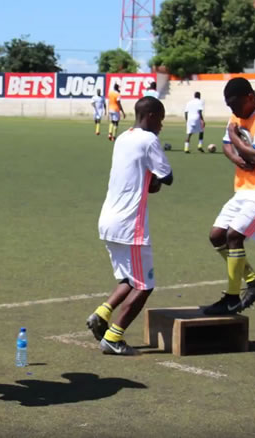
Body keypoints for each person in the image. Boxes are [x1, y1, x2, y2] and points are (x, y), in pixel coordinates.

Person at [86, 96, 173, 355]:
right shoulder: (149, 140)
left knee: (128, 278)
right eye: (161, 119)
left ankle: (101, 315)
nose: (161, 126)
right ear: (151, 116)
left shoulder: (123, 138)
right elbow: (167, 177)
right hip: (129, 224)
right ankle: (114, 337)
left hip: (108, 219)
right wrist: (153, 181)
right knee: (145, 286)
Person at [203, 77, 255, 315]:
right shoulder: (238, 115)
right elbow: (226, 147)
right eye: (230, 107)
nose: (233, 111)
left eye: (236, 105)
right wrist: (238, 156)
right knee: (217, 235)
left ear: (250, 97)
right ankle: (254, 283)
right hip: (244, 188)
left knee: (234, 235)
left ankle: (232, 297)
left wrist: (234, 138)